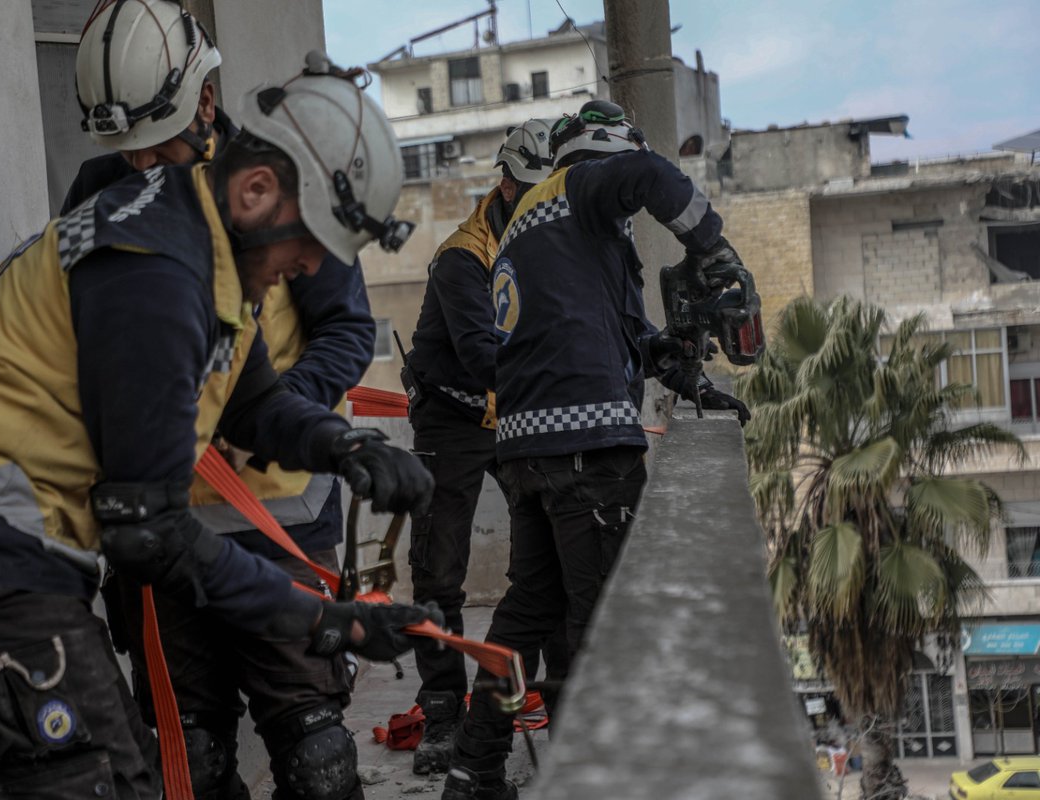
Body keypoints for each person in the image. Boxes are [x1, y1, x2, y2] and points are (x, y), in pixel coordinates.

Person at [0, 45, 435, 800]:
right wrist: (331, 622)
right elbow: (148, 532)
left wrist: (342, 444)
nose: (316, 270)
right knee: (95, 783)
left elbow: (251, 405)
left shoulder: (205, 243)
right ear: (256, 189)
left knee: (130, 780)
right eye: (313, 241)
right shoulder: (157, 275)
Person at [66, 4, 378, 798]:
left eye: (157, 139)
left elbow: (347, 329)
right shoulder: (99, 194)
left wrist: (275, 414)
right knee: (189, 760)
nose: (143, 164)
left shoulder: (283, 184)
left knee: (316, 757)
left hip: (278, 521)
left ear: (205, 103)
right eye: (126, 147)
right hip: (162, 540)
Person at [441, 100, 749, 800]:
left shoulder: (532, 227)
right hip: (584, 452)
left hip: (526, 451)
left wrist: (677, 366)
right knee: (607, 624)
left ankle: (474, 772)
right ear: (601, 153)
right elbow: (647, 175)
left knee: (526, 616)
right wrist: (712, 245)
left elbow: (619, 336)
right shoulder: (581, 187)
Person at [401, 120, 555, 776]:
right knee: (440, 572)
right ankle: (441, 712)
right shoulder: (462, 258)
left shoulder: (547, 242)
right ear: (506, 183)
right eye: (529, 194)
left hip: (513, 412)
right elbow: (480, 353)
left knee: (545, 556)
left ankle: (514, 695)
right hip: (453, 419)